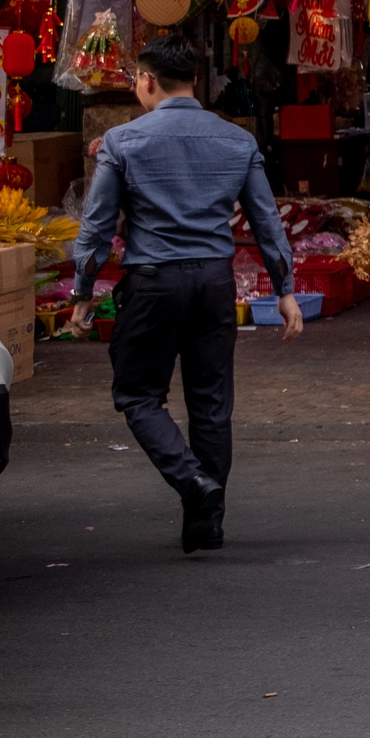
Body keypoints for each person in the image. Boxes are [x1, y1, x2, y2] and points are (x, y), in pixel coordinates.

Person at [68, 35, 296, 553]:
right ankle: (206, 524)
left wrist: (84, 289)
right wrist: (284, 290)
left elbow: (97, 225)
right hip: (215, 280)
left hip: (153, 282)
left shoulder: (123, 141)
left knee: (137, 393)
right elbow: (267, 221)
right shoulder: (237, 140)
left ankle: (193, 482)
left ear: (146, 81)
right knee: (211, 402)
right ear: (194, 81)